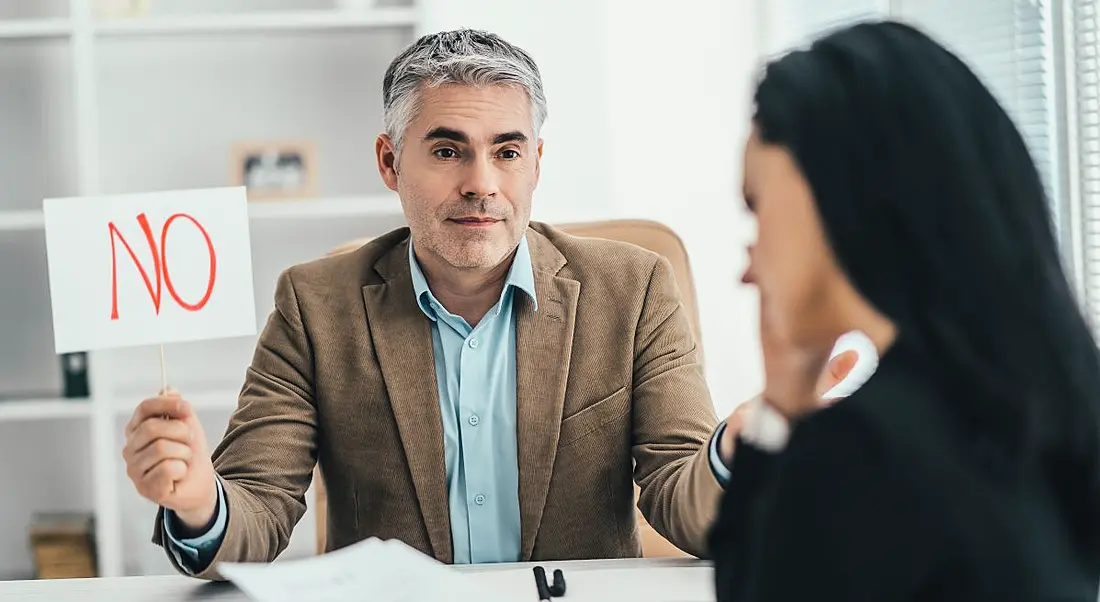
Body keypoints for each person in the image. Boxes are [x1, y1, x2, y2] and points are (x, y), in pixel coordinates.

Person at [120, 28, 748, 580]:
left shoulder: (635, 289)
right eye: (448, 151)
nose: (481, 182)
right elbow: (256, 512)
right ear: (390, 163)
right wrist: (200, 501)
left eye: (507, 152)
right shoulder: (314, 305)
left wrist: (733, 454)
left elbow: (683, 504)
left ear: (535, 163)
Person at [708, 19, 1100, 601]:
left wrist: (778, 425)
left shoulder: (860, 455)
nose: (748, 264)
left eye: (756, 206)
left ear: (829, 192)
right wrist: (785, 401)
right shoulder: (1045, 414)